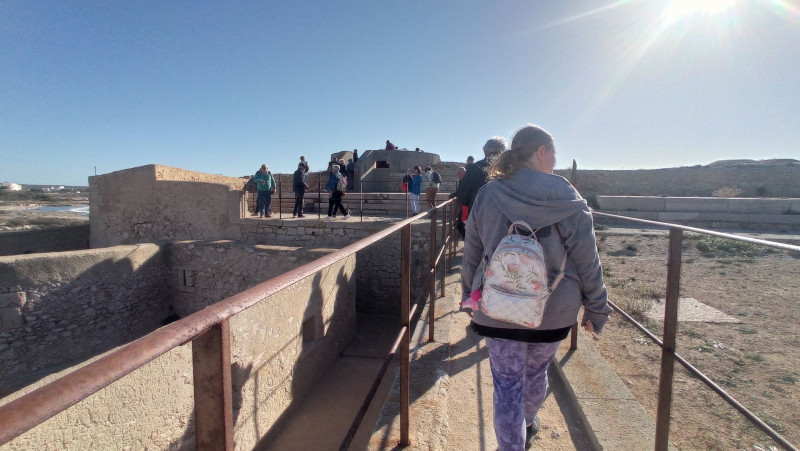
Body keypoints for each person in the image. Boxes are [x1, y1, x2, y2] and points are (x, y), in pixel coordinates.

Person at [460, 124, 611, 450]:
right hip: (552, 312)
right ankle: (528, 422)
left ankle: (511, 444)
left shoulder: (489, 193)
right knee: (536, 372)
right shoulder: (567, 196)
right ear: (541, 151)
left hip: (497, 308)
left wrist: (466, 295)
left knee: (507, 385)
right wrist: (597, 308)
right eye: (553, 153)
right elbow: (588, 261)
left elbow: (472, 249)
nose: (555, 161)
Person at [454, 137, 507, 215]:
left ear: (484, 149)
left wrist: (463, 219)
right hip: (504, 220)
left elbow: (464, 196)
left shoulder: (474, 168)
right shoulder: (510, 169)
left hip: (479, 217)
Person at [449, 166, 467, 238]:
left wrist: (454, 194)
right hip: (464, 206)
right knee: (463, 224)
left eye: (459, 173)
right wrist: (453, 194)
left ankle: (467, 240)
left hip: (466, 206)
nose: (458, 175)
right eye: (457, 173)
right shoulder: (462, 180)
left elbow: (464, 193)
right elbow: (460, 192)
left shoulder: (466, 181)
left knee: (460, 225)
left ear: (464, 172)